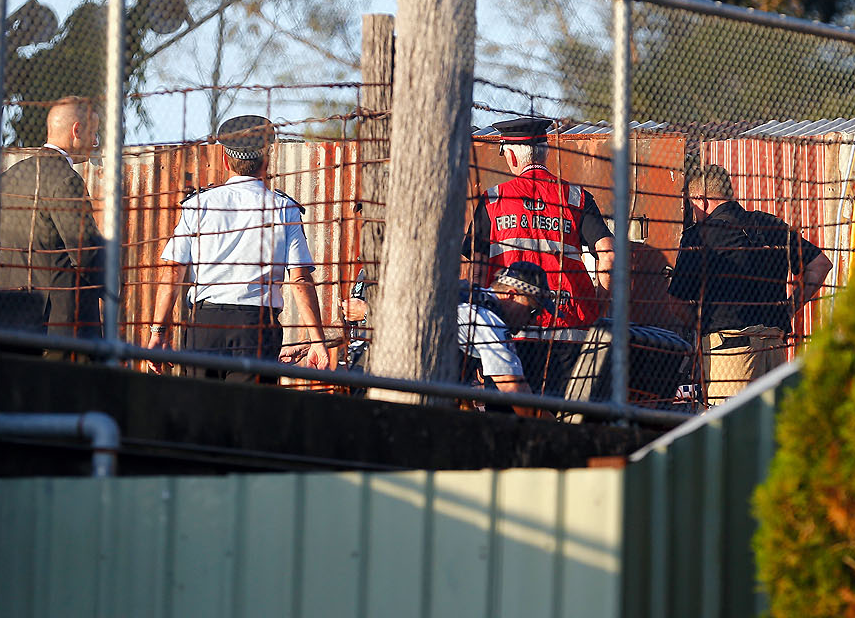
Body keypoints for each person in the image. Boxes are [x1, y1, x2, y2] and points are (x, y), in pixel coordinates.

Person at [145, 115, 330, 380]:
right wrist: (317, 341)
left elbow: (173, 271)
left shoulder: (199, 205)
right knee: (251, 418)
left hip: (204, 328)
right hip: (256, 330)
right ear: (266, 161)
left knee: (199, 417)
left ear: (224, 160)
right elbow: (299, 277)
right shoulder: (283, 208)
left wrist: (158, 333)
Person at [668, 164, 833, 404]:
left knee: (727, 432)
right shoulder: (771, 226)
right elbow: (820, 265)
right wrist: (789, 307)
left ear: (701, 200)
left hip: (730, 353)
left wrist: (705, 325)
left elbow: (676, 302)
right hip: (774, 350)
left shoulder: (700, 236)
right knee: (771, 429)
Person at [342, 261, 552, 418]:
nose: (531, 321)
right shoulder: (487, 319)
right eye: (532, 311)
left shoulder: (466, 295)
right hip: (401, 401)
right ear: (512, 295)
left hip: (374, 382)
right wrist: (557, 431)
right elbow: (514, 390)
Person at [462, 116, 615, 329]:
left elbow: (477, 271)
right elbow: (609, 253)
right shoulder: (576, 197)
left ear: (512, 157)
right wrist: (598, 308)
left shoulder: (493, 200)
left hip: (510, 327)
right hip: (569, 326)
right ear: (546, 153)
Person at [0, 96, 104, 350]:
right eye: (94, 133)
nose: (95, 142)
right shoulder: (67, 180)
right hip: (59, 324)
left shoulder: (8, 178)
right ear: (76, 130)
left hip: (8, 314)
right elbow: (85, 252)